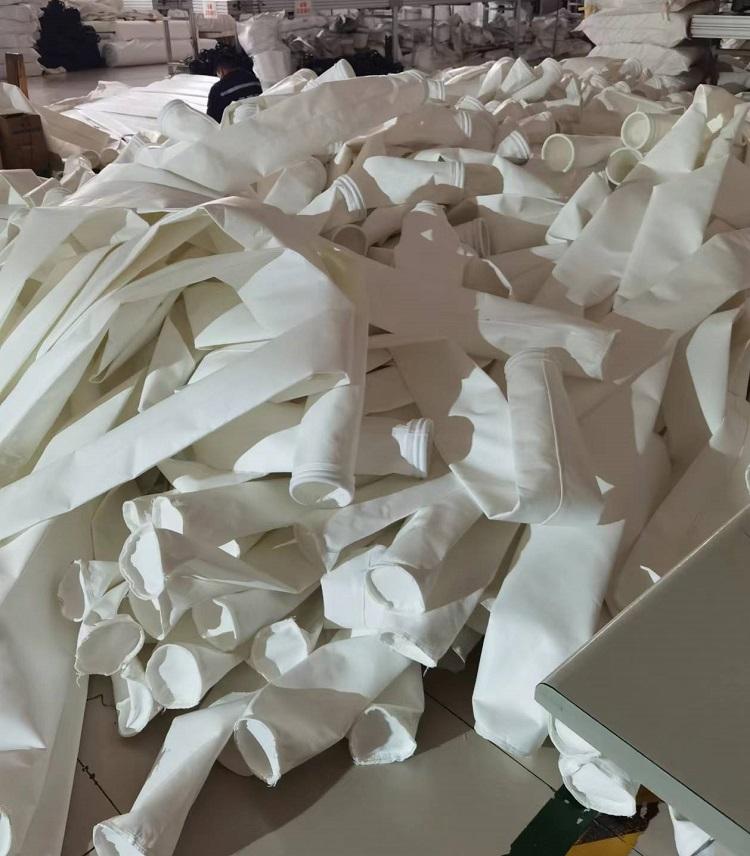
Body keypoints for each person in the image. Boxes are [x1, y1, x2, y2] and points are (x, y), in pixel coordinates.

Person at [206, 56, 261, 123]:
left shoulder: (218, 89)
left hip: (236, 127)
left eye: (218, 73)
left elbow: (211, 121)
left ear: (221, 70)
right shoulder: (254, 79)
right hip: (261, 121)